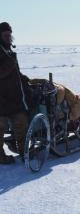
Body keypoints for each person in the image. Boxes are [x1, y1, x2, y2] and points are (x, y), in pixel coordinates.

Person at [0, 22, 30, 164]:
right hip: (2, 99)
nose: (8, 37)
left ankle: (25, 152)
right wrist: (9, 64)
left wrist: (25, 80)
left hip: (15, 97)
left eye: (9, 34)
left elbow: (15, 73)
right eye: (5, 34)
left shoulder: (9, 51)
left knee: (21, 124)